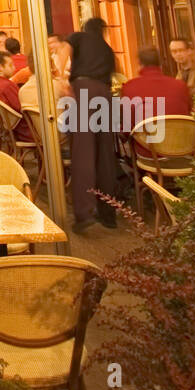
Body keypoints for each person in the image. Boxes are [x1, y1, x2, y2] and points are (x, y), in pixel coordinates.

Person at [66, 17, 118, 232]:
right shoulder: (108, 50)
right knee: (106, 154)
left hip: (84, 90)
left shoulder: (78, 37)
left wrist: (63, 77)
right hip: (105, 93)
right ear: (103, 30)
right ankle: (109, 214)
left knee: (83, 152)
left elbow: (63, 51)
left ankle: (84, 213)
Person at [121, 47, 192, 118]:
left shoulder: (129, 87)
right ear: (160, 63)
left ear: (139, 64)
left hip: (146, 129)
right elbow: (188, 113)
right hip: (179, 128)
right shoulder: (180, 85)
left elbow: (127, 123)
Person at [0, 49, 34, 142]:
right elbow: (22, 108)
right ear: (0, 67)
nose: (14, 68)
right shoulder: (6, 86)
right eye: (10, 65)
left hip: (16, 129)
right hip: (27, 130)